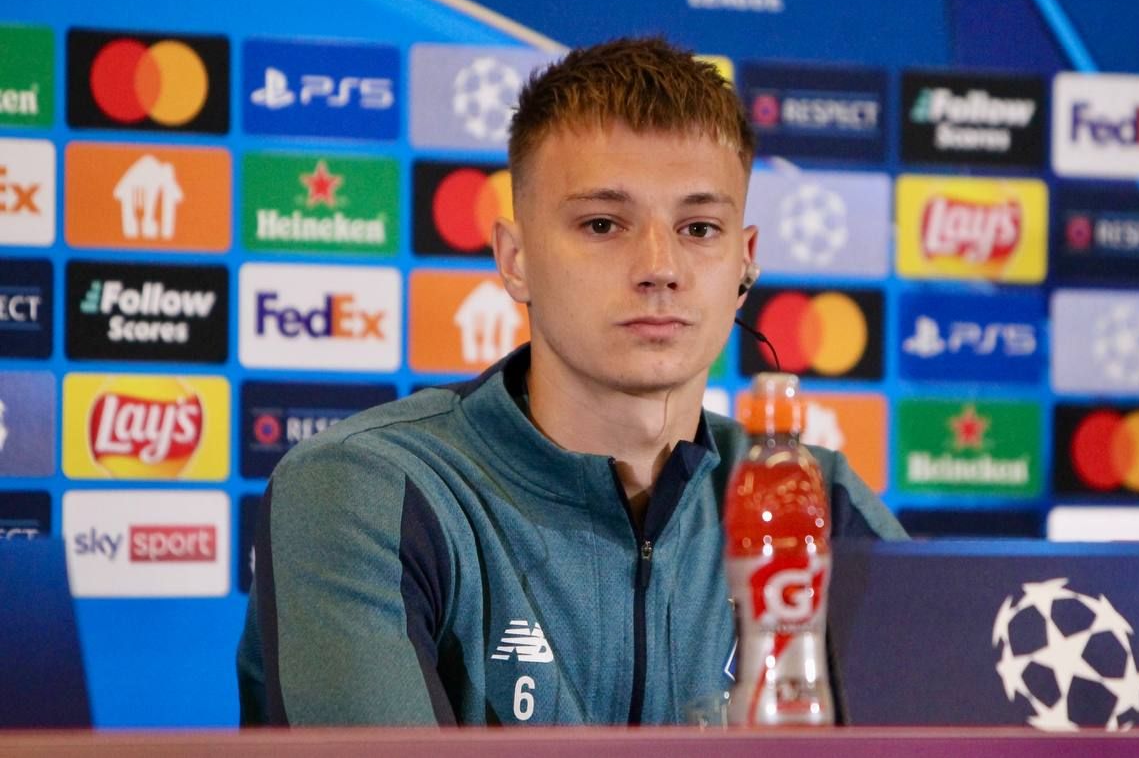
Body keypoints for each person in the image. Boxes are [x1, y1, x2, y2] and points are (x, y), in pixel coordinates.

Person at [236, 36, 906, 726]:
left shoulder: (808, 496)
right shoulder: (368, 488)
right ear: (515, 259)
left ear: (745, 262)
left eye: (700, 227)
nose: (660, 267)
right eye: (603, 223)